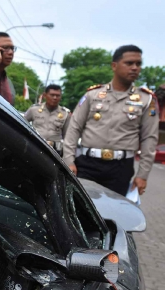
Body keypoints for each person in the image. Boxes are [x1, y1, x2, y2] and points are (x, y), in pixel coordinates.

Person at [63, 45, 159, 196]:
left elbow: (149, 138)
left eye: (138, 64)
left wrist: (143, 174)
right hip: (87, 164)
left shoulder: (146, 100)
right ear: (114, 66)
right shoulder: (93, 95)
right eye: (129, 63)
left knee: (112, 215)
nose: (135, 68)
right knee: (81, 213)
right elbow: (74, 128)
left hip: (120, 168)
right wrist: (69, 160)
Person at [24, 84, 71, 154]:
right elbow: (22, 125)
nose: (55, 98)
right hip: (34, 147)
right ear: (45, 95)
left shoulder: (65, 114)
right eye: (52, 95)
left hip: (54, 151)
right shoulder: (34, 109)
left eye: (58, 95)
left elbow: (68, 138)